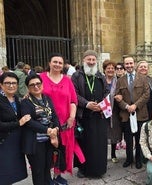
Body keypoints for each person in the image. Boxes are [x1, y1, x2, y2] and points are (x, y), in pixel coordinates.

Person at [40, 53, 85, 185]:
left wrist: (72, 117)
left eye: (60, 62)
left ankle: (57, 176)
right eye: (55, 62)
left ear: (63, 65)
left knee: (62, 150)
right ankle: (47, 177)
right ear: (49, 63)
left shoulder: (67, 80)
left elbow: (73, 101)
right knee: (47, 150)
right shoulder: (41, 78)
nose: (57, 64)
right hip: (45, 122)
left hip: (65, 122)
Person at [71, 49, 109, 177]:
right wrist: (87, 104)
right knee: (85, 143)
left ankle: (99, 169)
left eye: (93, 60)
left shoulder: (100, 76)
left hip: (99, 116)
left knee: (99, 143)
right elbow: (74, 94)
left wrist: (101, 105)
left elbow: (107, 92)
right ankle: (84, 169)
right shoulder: (76, 76)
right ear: (84, 60)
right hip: (84, 116)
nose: (91, 62)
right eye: (89, 59)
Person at [21, 74, 60, 185]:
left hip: (49, 140)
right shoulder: (25, 102)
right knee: (38, 171)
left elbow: (55, 116)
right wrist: (47, 130)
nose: (36, 86)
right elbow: (29, 122)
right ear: (28, 87)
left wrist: (56, 129)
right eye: (32, 85)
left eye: (38, 83)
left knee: (47, 168)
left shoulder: (47, 98)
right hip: (36, 142)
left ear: (42, 84)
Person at [115, 55, 150, 169]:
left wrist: (135, 105)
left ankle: (138, 159)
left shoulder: (143, 78)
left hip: (140, 113)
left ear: (134, 64)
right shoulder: (120, 80)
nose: (129, 66)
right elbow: (117, 96)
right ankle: (129, 158)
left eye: (131, 63)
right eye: (127, 64)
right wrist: (126, 106)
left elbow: (146, 94)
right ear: (124, 65)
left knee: (140, 138)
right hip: (126, 114)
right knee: (128, 138)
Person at [0, 72, 29, 184]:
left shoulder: (16, 98)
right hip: (4, 141)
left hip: (16, 141)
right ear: (1, 85)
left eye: (14, 83)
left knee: (12, 172)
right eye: (7, 83)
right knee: (4, 171)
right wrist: (18, 123)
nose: (11, 85)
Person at [102, 59, 122, 163]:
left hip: (115, 110)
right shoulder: (100, 80)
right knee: (103, 133)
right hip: (103, 110)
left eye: (112, 68)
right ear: (104, 70)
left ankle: (113, 154)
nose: (110, 70)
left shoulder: (118, 81)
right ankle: (102, 154)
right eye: (108, 68)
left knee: (114, 132)